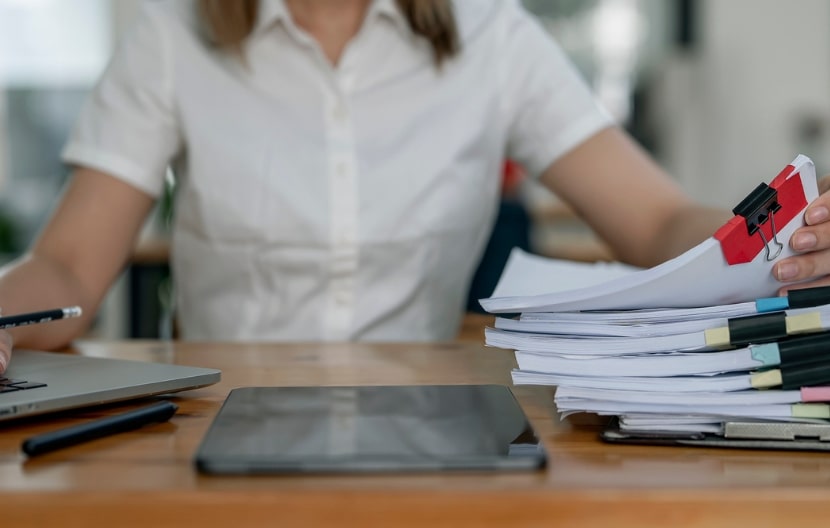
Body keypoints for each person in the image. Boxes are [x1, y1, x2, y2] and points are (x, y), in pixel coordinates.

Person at [1, 0, 829, 373]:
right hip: (211, 426)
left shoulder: (493, 35)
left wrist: (787, 236)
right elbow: (70, 271)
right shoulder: (172, 38)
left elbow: (654, 220)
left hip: (428, 425)